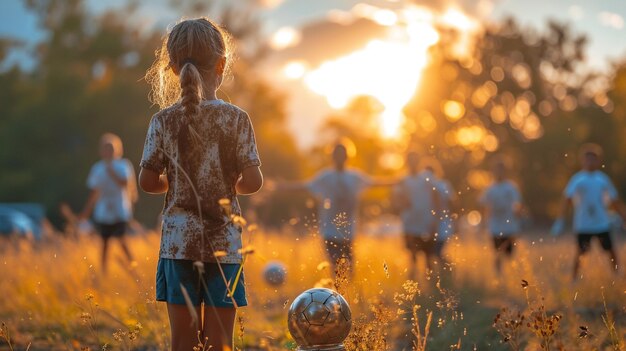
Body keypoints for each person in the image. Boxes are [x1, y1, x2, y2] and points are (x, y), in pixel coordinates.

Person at [139, 18, 263, 351]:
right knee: (220, 343)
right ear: (221, 64)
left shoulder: (162, 120)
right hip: (225, 246)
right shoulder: (237, 119)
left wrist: (176, 182)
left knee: (182, 342)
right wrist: (225, 185)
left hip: (178, 246)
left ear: (174, 68)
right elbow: (253, 181)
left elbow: (147, 181)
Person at [276, 140, 392, 277]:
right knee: (335, 266)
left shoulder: (355, 177)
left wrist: (399, 181)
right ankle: (336, 295)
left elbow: (375, 183)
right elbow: (305, 186)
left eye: (342, 154)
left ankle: (347, 295)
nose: (339, 157)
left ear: (347, 156)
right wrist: (284, 187)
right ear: (332, 156)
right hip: (329, 231)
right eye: (336, 154)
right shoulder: (326, 176)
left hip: (348, 231)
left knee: (349, 268)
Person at [551, 143, 626, 280]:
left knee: (611, 251)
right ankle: (574, 279)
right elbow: (566, 200)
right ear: (582, 160)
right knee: (580, 253)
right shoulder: (578, 179)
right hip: (583, 224)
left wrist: (623, 217)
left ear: (598, 161)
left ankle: (617, 276)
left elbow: (615, 200)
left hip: (601, 223)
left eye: (593, 159)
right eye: (587, 158)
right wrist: (560, 220)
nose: (590, 162)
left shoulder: (603, 179)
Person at [80, 133, 137, 274]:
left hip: (120, 209)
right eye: (106, 148)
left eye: (111, 148)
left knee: (122, 240)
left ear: (117, 149)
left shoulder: (123, 165)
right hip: (104, 211)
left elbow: (125, 183)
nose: (109, 151)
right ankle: (103, 272)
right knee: (104, 243)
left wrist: (111, 172)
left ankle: (133, 269)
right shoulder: (97, 168)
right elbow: (94, 192)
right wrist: (86, 212)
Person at [393, 152, 442, 279]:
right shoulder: (403, 180)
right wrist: (402, 202)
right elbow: (396, 199)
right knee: (412, 256)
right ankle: (414, 284)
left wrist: (436, 219)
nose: (413, 163)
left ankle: (430, 285)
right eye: (410, 160)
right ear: (407, 162)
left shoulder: (427, 177)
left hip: (426, 223)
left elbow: (436, 196)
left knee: (428, 256)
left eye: (415, 160)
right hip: (410, 224)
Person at [479, 158, 523, 275]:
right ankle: (498, 277)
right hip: (495, 226)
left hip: (509, 227)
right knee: (497, 252)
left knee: (509, 254)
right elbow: (483, 206)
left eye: (501, 170)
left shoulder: (511, 187)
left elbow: (517, 205)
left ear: (505, 171)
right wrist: (483, 223)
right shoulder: (489, 189)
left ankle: (510, 276)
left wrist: (518, 221)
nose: (498, 173)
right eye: (496, 170)